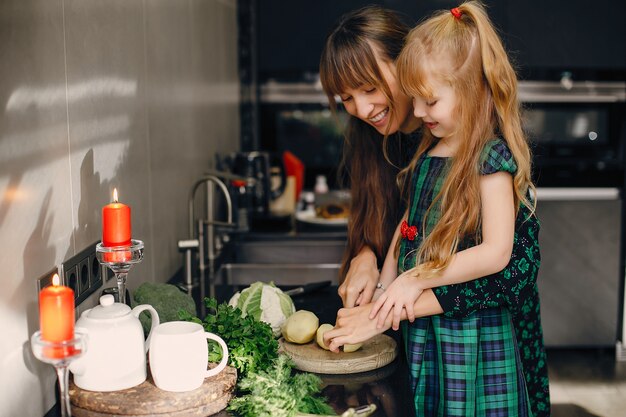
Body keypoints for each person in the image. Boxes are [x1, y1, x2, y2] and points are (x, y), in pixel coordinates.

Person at [322, 2, 549, 416]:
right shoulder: (426, 147)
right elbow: (408, 223)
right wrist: (373, 265)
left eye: (371, 88)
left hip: (482, 338)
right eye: (347, 98)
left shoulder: (487, 154)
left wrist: (393, 301)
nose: (360, 108)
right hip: (428, 334)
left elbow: (508, 265)